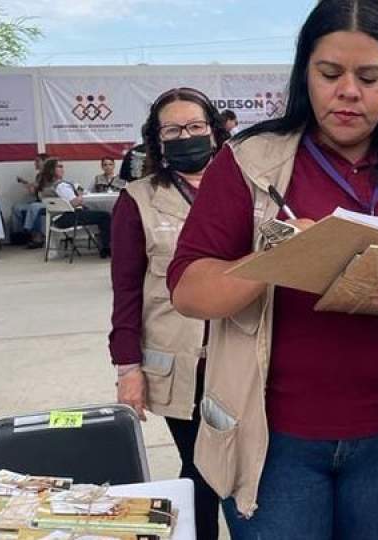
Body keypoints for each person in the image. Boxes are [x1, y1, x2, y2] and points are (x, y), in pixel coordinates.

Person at [166, 2, 378, 538]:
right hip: (273, 444)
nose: (348, 91)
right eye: (329, 74)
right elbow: (188, 291)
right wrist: (276, 258)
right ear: (304, 74)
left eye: (369, 77)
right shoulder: (248, 162)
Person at [110, 87, 230, 540]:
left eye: (196, 126)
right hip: (182, 364)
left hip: (242, 354)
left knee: (243, 463)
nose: (187, 136)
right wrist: (128, 368)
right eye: (174, 129)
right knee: (202, 464)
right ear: (157, 140)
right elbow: (125, 292)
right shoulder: (137, 200)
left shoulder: (245, 188)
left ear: (215, 132)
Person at [42, 159, 111, 258]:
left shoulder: (48, 186)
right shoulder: (61, 186)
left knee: (97, 214)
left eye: (62, 166)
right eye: (59, 167)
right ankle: (107, 248)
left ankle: (103, 245)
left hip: (57, 219)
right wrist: (81, 196)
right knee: (105, 216)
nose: (62, 169)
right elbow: (74, 203)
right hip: (69, 217)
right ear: (52, 170)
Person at [11, 153, 49, 248]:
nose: (35, 163)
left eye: (37, 161)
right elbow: (34, 192)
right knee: (17, 207)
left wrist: (31, 185)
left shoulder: (50, 175)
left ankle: (37, 237)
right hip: (38, 200)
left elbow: (45, 189)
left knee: (33, 207)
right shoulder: (38, 176)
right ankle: (20, 234)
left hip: (47, 201)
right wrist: (27, 184)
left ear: (45, 162)